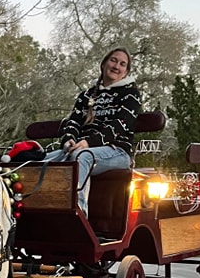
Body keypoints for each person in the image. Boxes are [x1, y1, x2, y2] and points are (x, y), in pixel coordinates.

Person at [39, 46, 141, 215]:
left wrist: (88, 143)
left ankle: (78, 215)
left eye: (122, 64)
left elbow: (120, 125)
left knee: (81, 157)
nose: (116, 66)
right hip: (81, 147)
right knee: (40, 161)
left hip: (117, 151)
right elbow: (73, 122)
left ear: (126, 72)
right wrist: (69, 140)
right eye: (113, 60)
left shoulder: (130, 94)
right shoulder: (86, 96)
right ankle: (37, 213)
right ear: (104, 64)